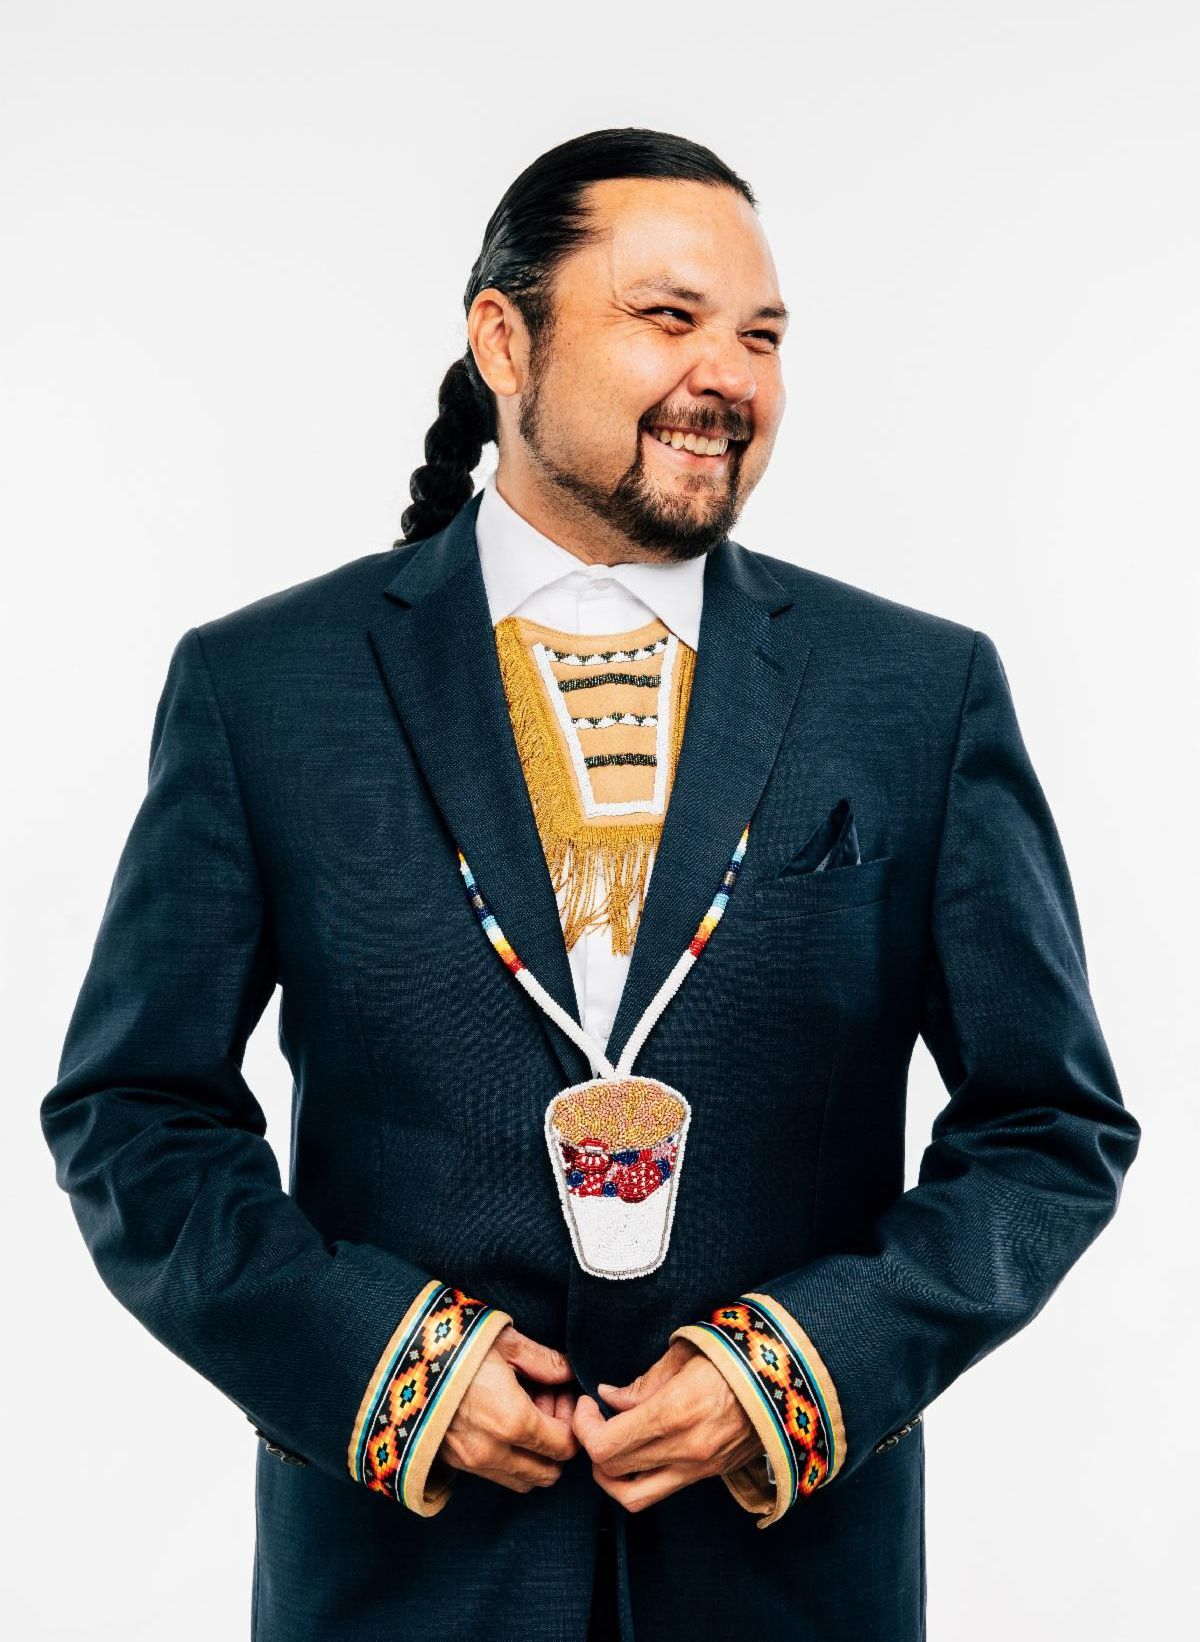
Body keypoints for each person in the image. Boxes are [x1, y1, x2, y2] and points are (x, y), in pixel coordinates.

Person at [41, 128, 1140, 1642]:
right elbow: (132, 1116)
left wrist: (797, 1371)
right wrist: (386, 1368)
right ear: (506, 337)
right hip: (403, 1586)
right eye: (667, 318)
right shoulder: (264, 687)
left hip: (789, 1589)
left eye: (760, 335)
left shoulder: (917, 691)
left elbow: (1051, 1126)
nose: (729, 375)